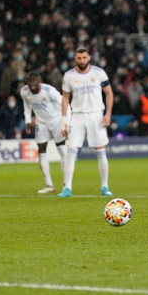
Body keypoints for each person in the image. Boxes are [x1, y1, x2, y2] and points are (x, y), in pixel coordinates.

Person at [59, 46, 114, 198]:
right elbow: (65, 97)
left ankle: (105, 186)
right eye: (79, 58)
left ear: (89, 57)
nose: (82, 61)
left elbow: (109, 93)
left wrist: (108, 114)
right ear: (75, 59)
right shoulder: (69, 75)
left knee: (101, 152)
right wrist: (64, 119)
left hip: (96, 115)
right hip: (77, 116)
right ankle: (67, 188)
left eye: (84, 58)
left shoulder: (98, 73)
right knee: (71, 152)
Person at [21, 72, 69, 194]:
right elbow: (26, 105)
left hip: (56, 121)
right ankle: (49, 185)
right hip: (41, 124)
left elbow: (64, 103)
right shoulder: (24, 92)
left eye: (34, 82)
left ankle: (66, 184)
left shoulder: (49, 90)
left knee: (62, 150)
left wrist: (66, 122)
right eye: (29, 82)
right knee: (41, 151)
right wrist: (27, 120)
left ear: (39, 81)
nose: (31, 85)